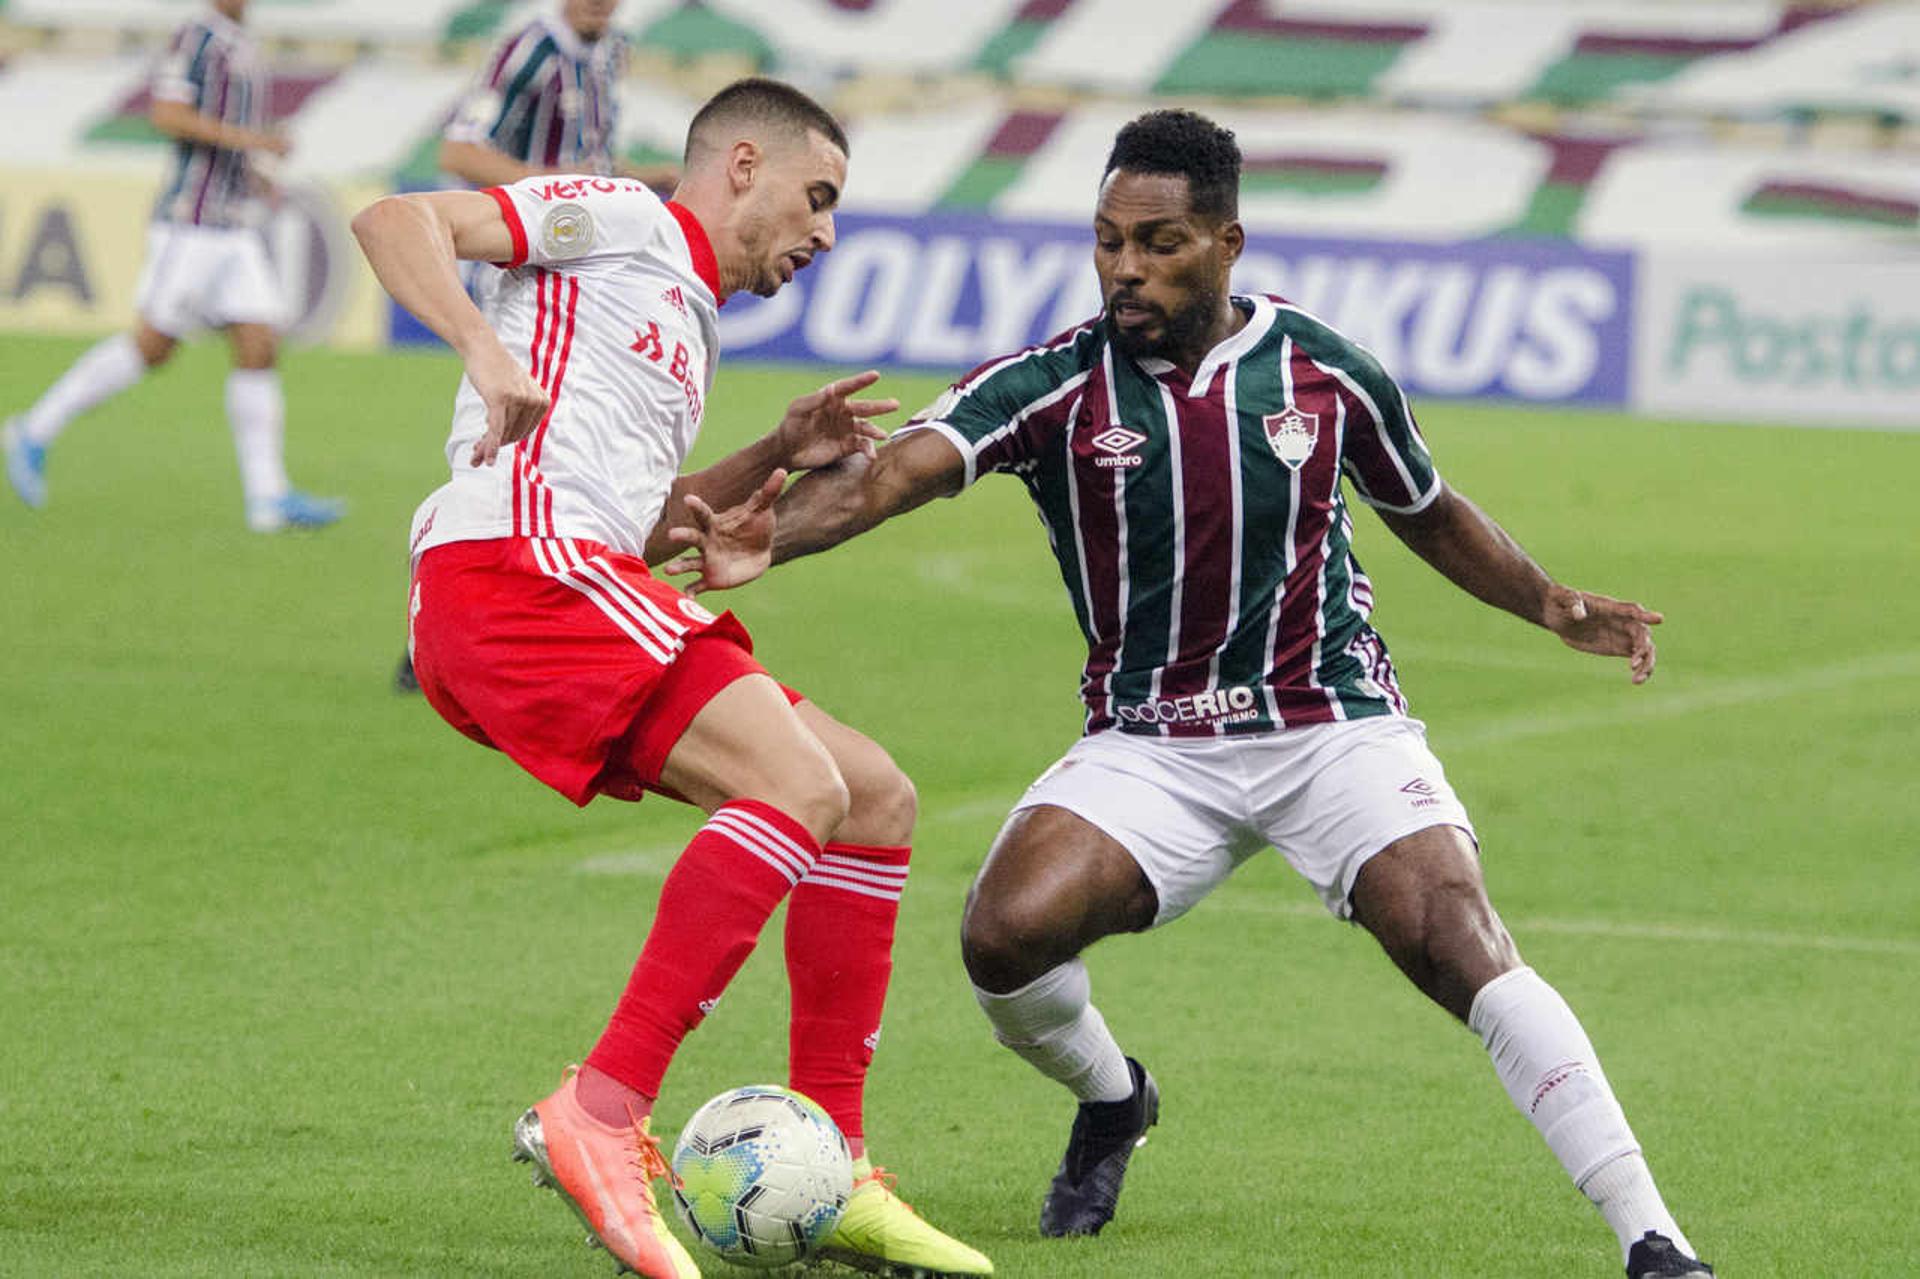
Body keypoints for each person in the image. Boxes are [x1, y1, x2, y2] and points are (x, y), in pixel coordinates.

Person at [668, 109, 1714, 1279]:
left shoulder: (1323, 371)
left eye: (1159, 242)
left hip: (1330, 727)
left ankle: (1653, 1237)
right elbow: (893, 476)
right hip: (1151, 742)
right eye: (1108, 240)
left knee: (1458, 939)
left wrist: (1548, 602)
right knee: (1002, 938)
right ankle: (1115, 1098)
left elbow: (1426, 506)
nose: (1126, 267)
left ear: (1227, 242)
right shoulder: (1057, 382)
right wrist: (779, 539)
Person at [350, 78, 992, 1279]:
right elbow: (395, 219)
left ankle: (834, 1159)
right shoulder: (624, 218)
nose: (826, 234)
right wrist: (482, 348)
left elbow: (630, 520)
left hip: (559, 572)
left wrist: (765, 464)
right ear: (741, 164)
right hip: (511, 570)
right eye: (818, 198)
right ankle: (598, 1109)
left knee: (871, 794)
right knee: (795, 784)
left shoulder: (685, 315)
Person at [395, 0, 676, 693]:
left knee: (573, 445)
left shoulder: (611, 51)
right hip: (523, 278)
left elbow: (591, 160)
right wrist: (559, 194)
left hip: (590, 278)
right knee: (507, 443)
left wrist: (633, 180)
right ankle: (442, 627)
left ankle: (552, 610)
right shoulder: (531, 51)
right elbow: (458, 152)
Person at [2, 0, 342, 532]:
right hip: (192, 222)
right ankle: (33, 428)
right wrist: (253, 141)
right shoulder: (197, 36)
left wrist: (254, 175)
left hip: (232, 223)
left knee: (259, 342)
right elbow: (167, 114)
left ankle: (268, 496)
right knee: (153, 345)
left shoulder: (238, 41)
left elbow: (218, 131)